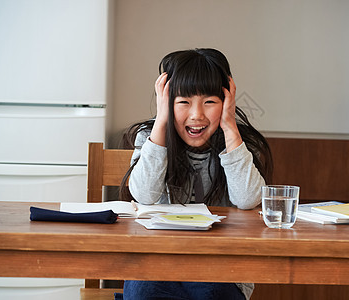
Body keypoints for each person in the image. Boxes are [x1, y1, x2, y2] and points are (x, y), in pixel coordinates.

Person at [117, 48, 273, 300]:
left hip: (221, 268)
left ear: (226, 102)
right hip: (156, 265)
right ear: (167, 103)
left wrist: (231, 127)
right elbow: (144, 195)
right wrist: (161, 123)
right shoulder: (150, 138)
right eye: (183, 102)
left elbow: (247, 199)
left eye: (210, 102)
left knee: (213, 292)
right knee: (144, 290)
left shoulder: (239, 144)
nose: (196, 115)